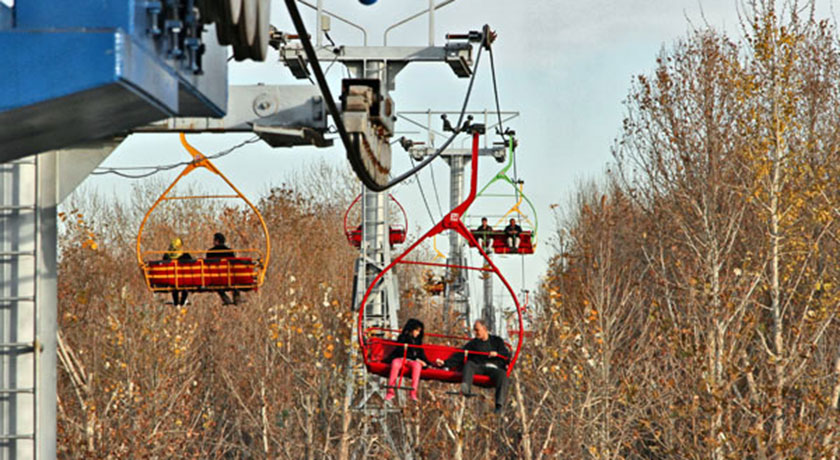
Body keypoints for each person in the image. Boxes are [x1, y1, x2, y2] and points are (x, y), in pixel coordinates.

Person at [436, 320, 510, 414]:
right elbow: (460, 355)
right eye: (474, 330)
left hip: (493, 369)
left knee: (502, 375)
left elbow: (506, 354)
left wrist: (497, 354)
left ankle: (499, 405)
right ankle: (466, 387)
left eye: (477, 330)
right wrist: (445, 363)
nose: (475, 333)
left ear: (484, 329)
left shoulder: (497, 341)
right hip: (479, 367)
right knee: (469, 364)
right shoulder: (474, 344)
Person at [384, 318, 432, 402]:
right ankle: (390, 391)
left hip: (412, 361)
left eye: (419, 331)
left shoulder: (418, 341)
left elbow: (421, 353)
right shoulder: (403, 338)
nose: (418, 333)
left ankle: (413, 392)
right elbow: (401, 351)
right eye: (416, 331)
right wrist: (416, 359)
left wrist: (426, 363)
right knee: (395, 364)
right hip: (401, 358)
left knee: (417, 367)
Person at [206, 232, 239, 305]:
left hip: (216, 278)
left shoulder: (210, 252)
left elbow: (207, 266)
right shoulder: (229, 251)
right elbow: (234, 264)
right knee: (232, 278)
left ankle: (223, 296)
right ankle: (236, 295)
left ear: (216, 241)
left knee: (217, 282)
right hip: (229, 277)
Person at [163, 237, 192, 306]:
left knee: (174, 284)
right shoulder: (186, 256)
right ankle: (182, 301)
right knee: (183, 283)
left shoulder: (166, 256)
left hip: (171, 280)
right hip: (184, 280)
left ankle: (176, 302)